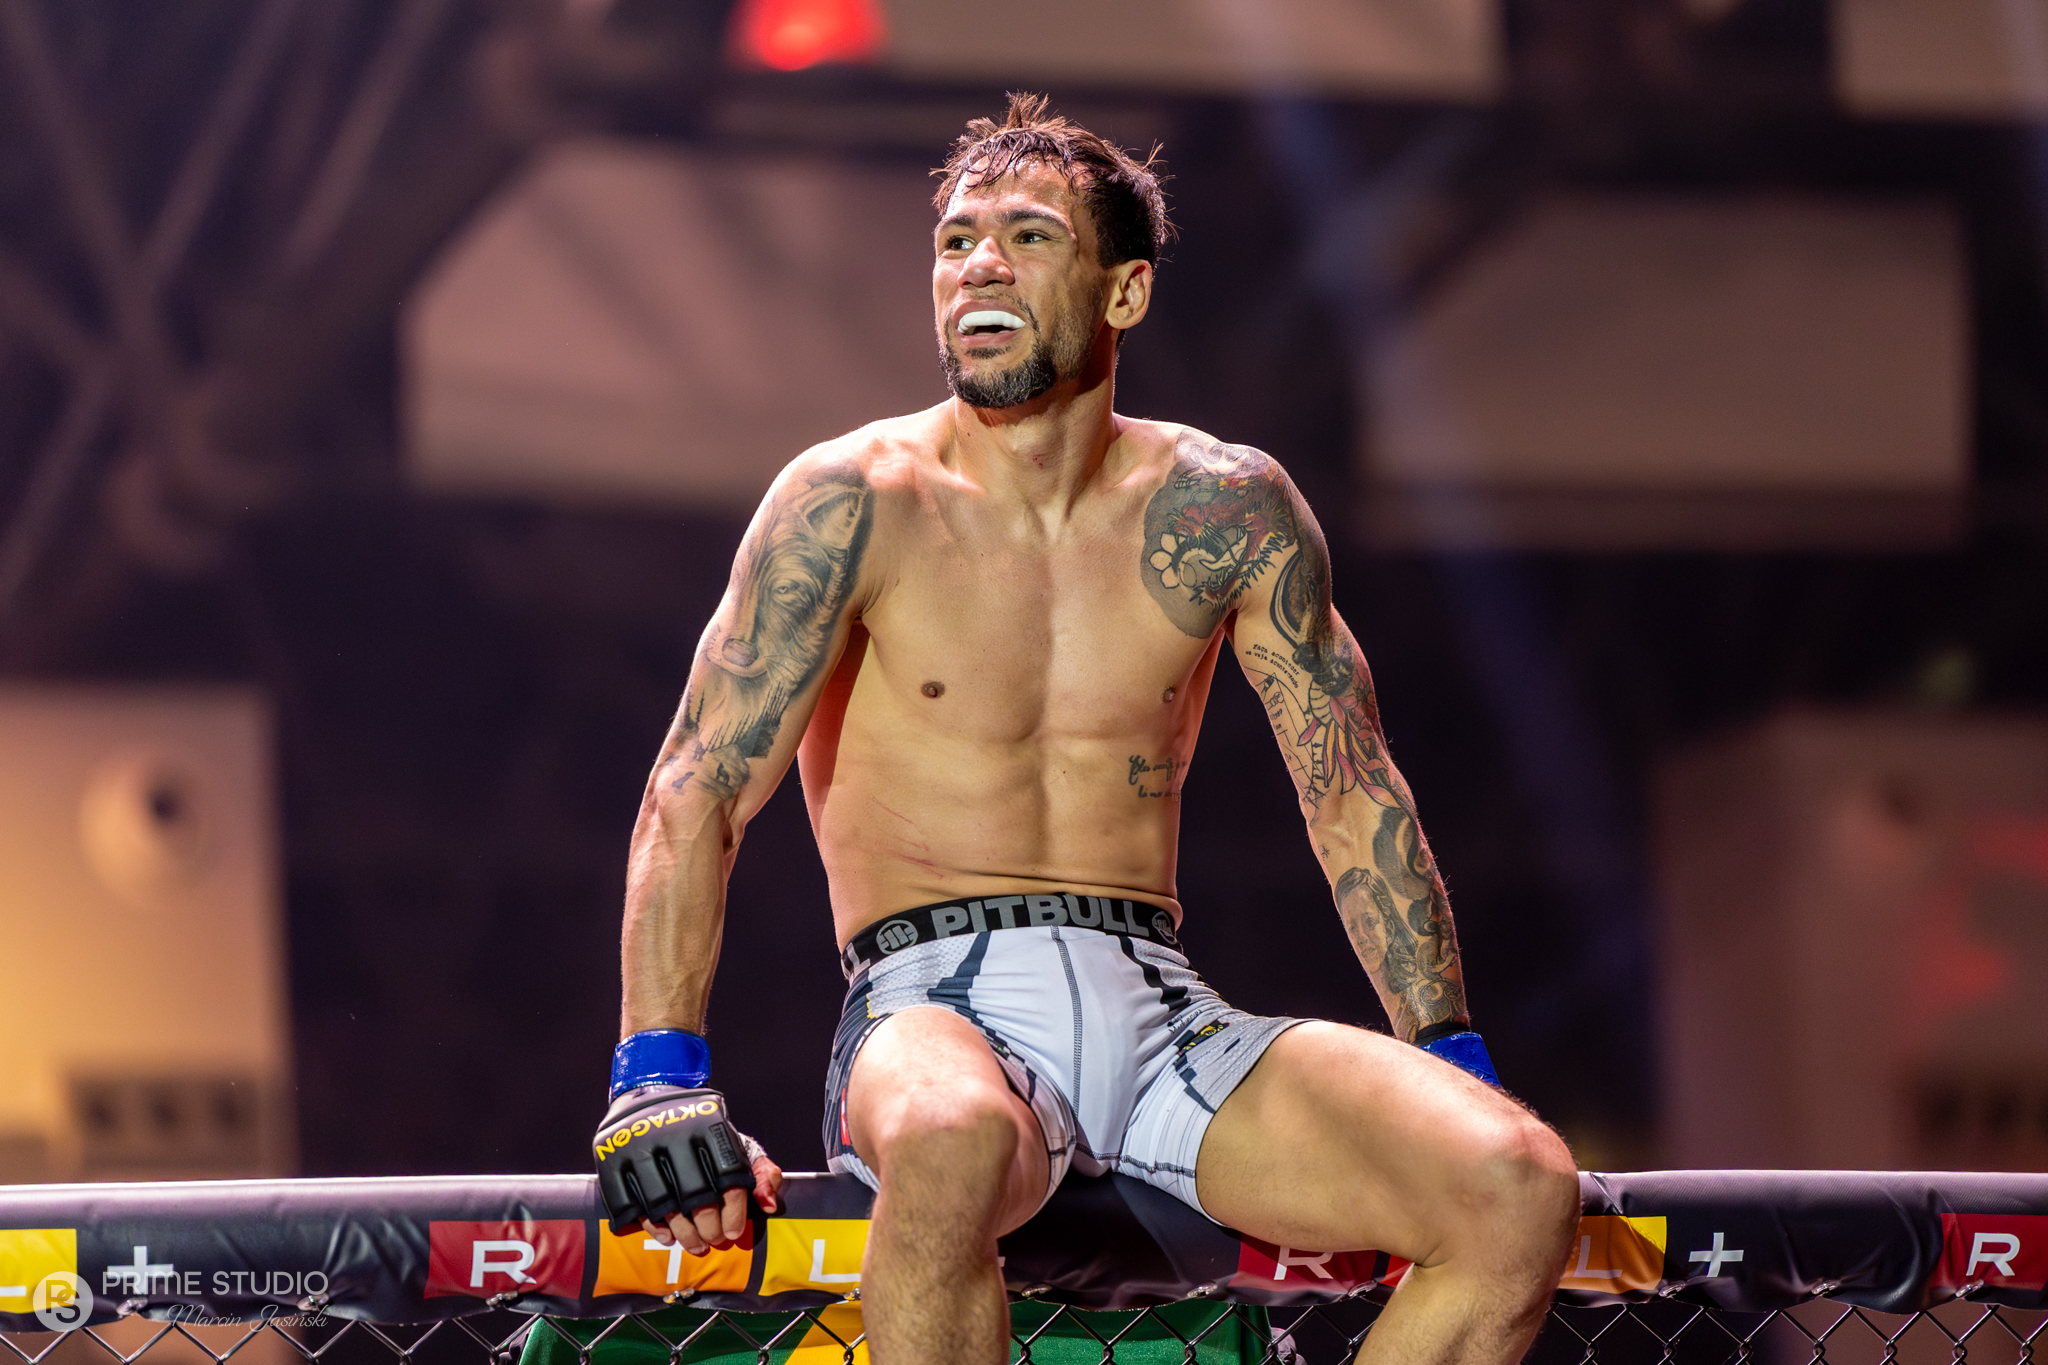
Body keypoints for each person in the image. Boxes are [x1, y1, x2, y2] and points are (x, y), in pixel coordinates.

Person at [592, 93, 1579, 1365]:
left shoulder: (1226, 507)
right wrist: (657, 1073)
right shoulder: (855, 500)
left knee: (1513, 1186)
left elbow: (1351, 793)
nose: (977, 267)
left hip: (1161, 1010)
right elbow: (697, 786)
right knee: (946, 1140)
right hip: (934, 1008)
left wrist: (1448, 1052)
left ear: (1124, 292)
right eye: (954, 242)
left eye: (1027, 237)